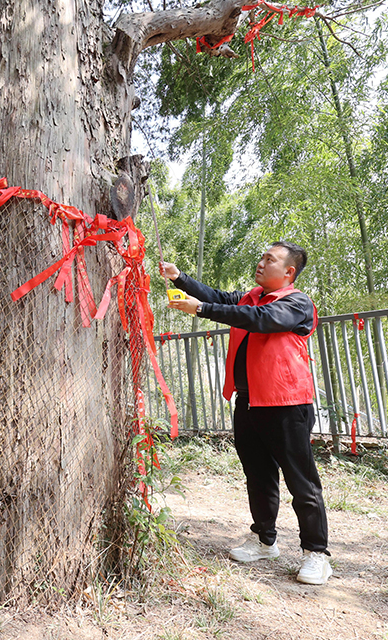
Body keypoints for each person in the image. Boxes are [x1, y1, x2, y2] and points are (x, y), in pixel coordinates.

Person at [160, 241, 332, 585]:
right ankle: (264, 540)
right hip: (249, 401)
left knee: (301, 480)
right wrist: (180, 278)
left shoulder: (296, 302)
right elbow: (221, 297)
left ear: (289, 272)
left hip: (287, 404)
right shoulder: (251, 296)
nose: (262, 262)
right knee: (258, 474)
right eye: (262, 257)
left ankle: (316, 554)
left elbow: (262, 321)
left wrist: (202, 309)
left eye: (271, 259)